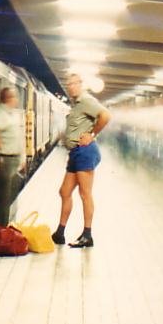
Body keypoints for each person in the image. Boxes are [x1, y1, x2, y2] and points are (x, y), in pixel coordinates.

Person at [53, 73, 111, 248]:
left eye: (73, 83)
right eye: (68, 84)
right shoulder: (77, 104)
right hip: (75, 153)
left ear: (81, 84)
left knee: (85, 194)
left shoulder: (86, 100)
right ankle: (60, 233)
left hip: (85, 152)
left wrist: (92, 135)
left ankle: (87, 235)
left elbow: (106, 115)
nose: (70, 87)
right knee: (64, 192)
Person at [0, 87, 26, 225]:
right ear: (9, 98)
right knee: (4, 198)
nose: (17, 100)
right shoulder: (0, 114)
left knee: (10, 193)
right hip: (3, 160)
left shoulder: (11, 114)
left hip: (12, 160)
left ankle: (2, 224)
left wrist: (21, 158)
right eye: (15, 97)